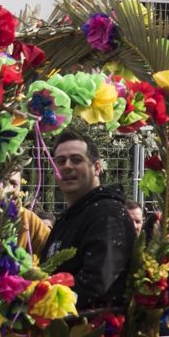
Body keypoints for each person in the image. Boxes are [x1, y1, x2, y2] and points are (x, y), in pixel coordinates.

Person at [43, 128, 133, 320]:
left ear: (97, 167)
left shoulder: (108, 214)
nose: (67, 166)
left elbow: (95, 282)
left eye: (76, 160)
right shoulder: (68, 217)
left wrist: (43, 303)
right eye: (60, 161)